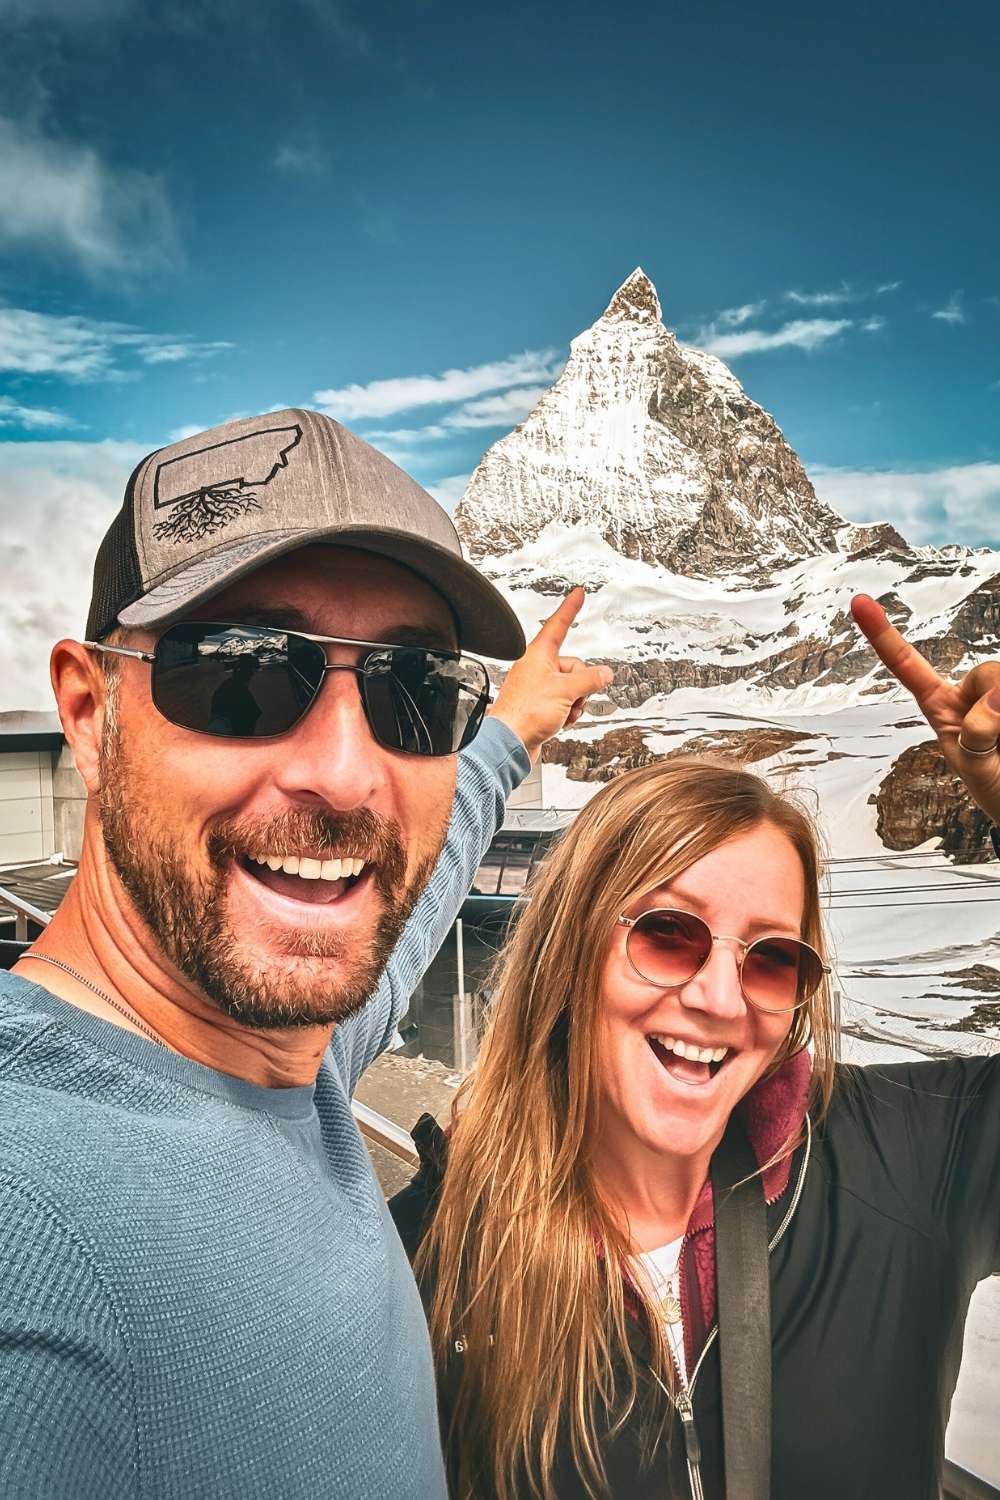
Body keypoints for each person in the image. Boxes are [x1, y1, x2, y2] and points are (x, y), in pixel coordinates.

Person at [0, 409, 612, 1500]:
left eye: (415, 693)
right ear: (90, 718)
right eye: (242, 674)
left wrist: (510, 728)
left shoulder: (294, 1047)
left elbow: (405, 885)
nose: (347, 773)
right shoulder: (28, 1210)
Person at [390, 594, 1000, 1500]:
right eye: (669, 934)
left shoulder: (909, 1158)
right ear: (570, 950)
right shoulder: (425, 1262)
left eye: (774, 958)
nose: (718, 999)